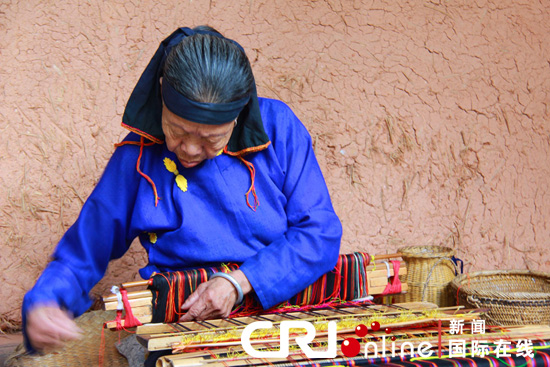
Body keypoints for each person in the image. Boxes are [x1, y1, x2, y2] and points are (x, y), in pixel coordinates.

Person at [22, 26, 342, 353]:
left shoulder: (279, 129)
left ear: (238, 116)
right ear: (161, 96)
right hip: (182, 317)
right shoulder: (137, 156)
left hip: (285, 309)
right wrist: (47, 301)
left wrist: (238, 283)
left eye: (210, 140)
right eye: (176, 130)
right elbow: (82, 253)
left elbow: (320, 232)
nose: (188, 149)